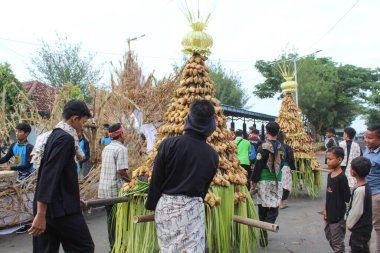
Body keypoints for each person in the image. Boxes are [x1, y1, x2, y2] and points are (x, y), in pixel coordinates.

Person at [146, 100, 219, 253]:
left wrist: (152, 205)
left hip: (166, 208)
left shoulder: (169, 144)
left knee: (167, 249)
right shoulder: (212, 155)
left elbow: (156, 180)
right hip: (191, 210)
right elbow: (203, 190)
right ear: (211, 125)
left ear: (188, 119)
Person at [29, 100, 94, 253]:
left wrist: (71, 195)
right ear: (74, 119)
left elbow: (58, 175)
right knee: (83, 248)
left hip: (55, 203)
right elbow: (48, 176)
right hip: (60, 210)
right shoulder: (65, 139)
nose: (82, 126)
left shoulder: (53, 135)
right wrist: (40, 214)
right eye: (83, 122)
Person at [250, 121, 284, 247]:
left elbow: (258, 166)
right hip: (277, 180)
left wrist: (253, 181)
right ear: (278, 132)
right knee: (275, 205)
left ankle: (264, 233)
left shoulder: (263, 147)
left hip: (264, 180)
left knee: (262, 208)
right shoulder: (282, 147)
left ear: (267, 132)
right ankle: (270, 223)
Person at [98, 123, 130, 250]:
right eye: (124, 132)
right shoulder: (121, 149)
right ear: (120, 134)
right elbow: (121, 171)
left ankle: (114, 246)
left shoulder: (107, 148)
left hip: (104, 189)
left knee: (110, 219)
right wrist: (132, 182)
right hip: (115, 191)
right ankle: (118, 247)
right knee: (118, 220)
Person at [323, 146, 351, 253]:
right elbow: (328, 194)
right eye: (327, 159)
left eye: (330, 159)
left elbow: (347, 198)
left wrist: (343, 215)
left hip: (338, 216)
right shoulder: (330, 175)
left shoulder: (342, 178)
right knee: (329, 236)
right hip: (329, 213)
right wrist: (325, 209)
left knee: (337, 243)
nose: (327, 161)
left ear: (339, 159)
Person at [346, 156, 372, 253]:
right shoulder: (362, 186)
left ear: (353, 172)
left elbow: (357, 212)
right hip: (362, 229)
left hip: (360, 230)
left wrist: (349, 223)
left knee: (359, 248)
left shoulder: (361, 190)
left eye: (351, 167)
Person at [364, 124, 380, 253]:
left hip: (376, 195)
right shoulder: (367, 150)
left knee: (378, 227)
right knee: (364, 225)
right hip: (364, 193)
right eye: (365, 137)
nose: (366, 140)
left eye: (370, 138)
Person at [277, 131, 295, 209]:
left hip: (274, 168)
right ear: (284, 138)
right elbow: (291, 158)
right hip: (285, 167)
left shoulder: (273, 146)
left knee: (278, 184)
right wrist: (292, 168)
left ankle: (277, 202)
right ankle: (281, 203)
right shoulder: (287, 147)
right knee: (285, 185)